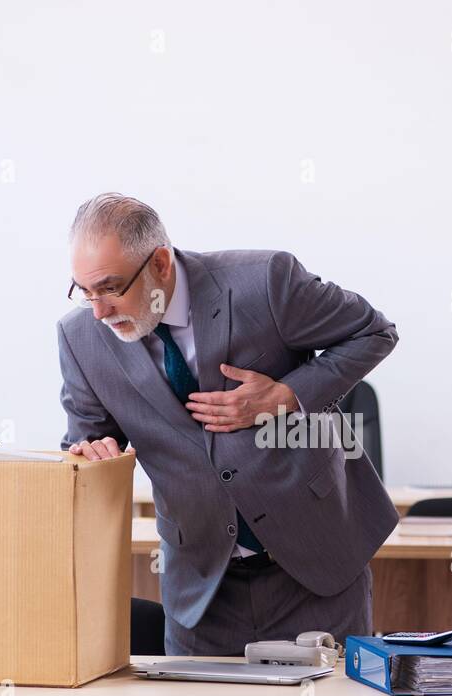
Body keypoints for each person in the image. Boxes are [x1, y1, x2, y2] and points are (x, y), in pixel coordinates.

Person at [57, 193, 398, 655]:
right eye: (84, 291)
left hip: (315, 566)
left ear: (159, 263)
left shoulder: (265, 282)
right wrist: (89, 450)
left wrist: (286, 395)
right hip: (201, 589)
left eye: (111, 288)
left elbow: (374, 331)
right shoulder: (80, 337)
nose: (98, 310)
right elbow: (88, 433)